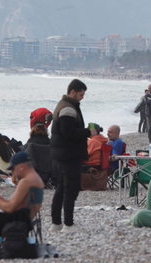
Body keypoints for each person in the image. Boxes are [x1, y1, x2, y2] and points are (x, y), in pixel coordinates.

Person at [50, 79, 97, 234]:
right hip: (69, 154)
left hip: (62, 154)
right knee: (71, 189)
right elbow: (68, 132)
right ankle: (68, 224)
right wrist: (88, 132)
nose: (82, 97)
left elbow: (66, 131)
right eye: (81, 94)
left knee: (62, 188)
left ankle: (56, 223)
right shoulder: (68, 109)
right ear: (73, 92)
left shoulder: (64, 105)